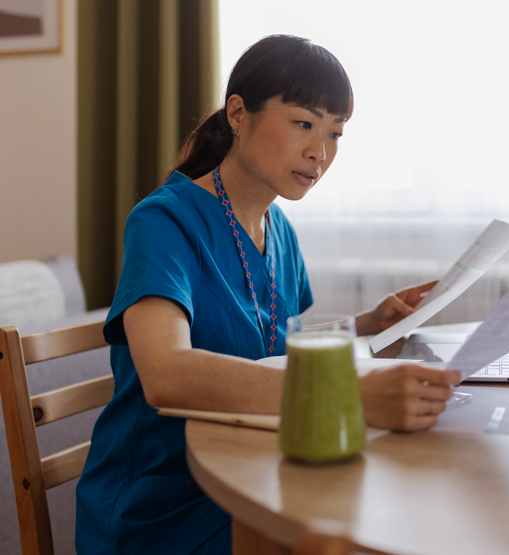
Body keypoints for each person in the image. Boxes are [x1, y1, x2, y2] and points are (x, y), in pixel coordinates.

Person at [75, 34, 461, 554]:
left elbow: (276, 346)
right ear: (238, 113)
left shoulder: (279, 231)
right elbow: (165, 376)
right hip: (162, 505)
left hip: (253, 469)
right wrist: (358, 397)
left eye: (335, 133)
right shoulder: (163, 221)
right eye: (304, 123)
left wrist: (367, 324)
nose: (319, 152)